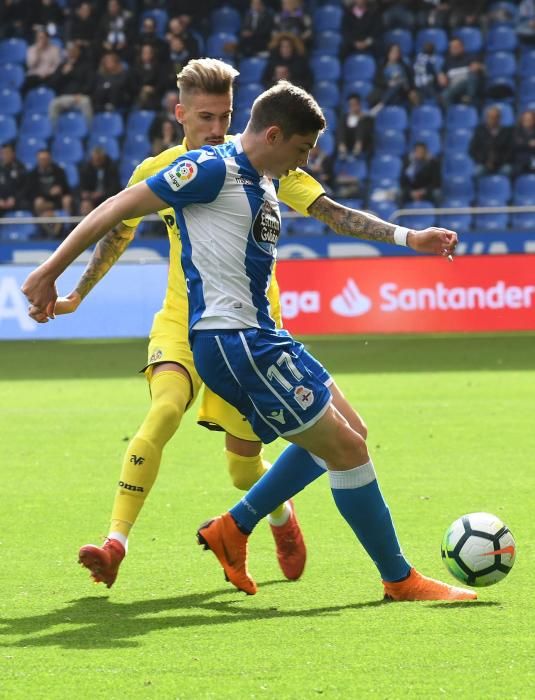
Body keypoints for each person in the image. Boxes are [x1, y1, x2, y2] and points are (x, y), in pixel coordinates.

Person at [22, 79, 475, 603]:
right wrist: (50, 272)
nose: (302, 162)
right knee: (346, 450)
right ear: (276, 135)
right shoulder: (211, 169)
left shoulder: (265, 175)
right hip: (235, 343)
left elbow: (335, 213)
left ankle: (234, 526)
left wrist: (408, 238)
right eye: (301, 150)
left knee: (351, 430)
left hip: (264, 335)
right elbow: (116, 209)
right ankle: (399, 580)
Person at [23, 59, 341, 589]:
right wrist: (79, 290)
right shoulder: (163, 168)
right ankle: (115, 543)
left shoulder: (261, 158)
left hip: (249, 330)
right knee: (165, 408)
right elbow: (118, 229)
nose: (218, 129)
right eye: (207, 117)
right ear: (181, 115)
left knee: (243, 469)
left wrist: (406, 237)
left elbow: (333, 212)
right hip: (181, 324)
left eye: (227, 117)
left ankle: (281, 518)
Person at [469, 105, 514, 177]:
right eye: (490, 117)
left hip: (502, 163)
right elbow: (472, 150)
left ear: (499, 118)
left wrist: (499, 162)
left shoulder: (507, 132)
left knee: (508, 171)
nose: (492, 120)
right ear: (486, 118)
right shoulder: (480, 131)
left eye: (495, 117)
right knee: (476, 173)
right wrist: (484, 161)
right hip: (484, 163)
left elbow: (510, 150)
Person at [0, 142, 28, 215]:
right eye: (3, 153)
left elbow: (25, 187)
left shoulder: (20, 168)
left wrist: (14, 199)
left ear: (13, 154)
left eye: (7, 153)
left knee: (27, 204)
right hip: (1, 201)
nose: (5, 155)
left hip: (17, 201)